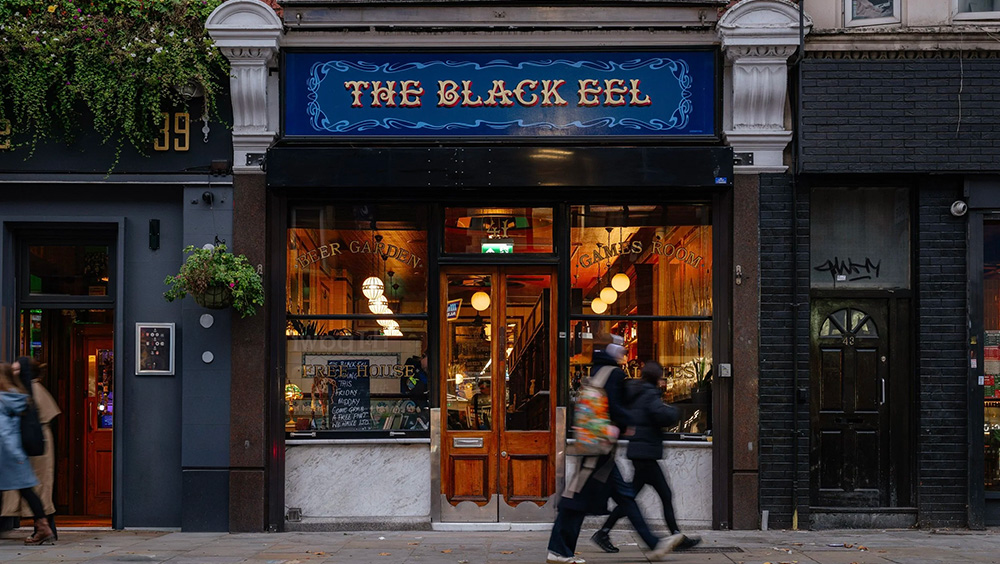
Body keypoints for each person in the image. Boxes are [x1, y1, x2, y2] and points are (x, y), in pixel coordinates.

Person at [546, 333, 682, 564]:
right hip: (599, 449)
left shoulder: (595, 372)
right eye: (621, 348)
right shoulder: (615, 374)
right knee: (577, 501)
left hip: (594, 446)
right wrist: (628, 422)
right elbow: (615, 407)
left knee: (620, 497)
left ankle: (653, 544)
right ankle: (559, 550)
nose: (624, 353)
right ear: (612, 351)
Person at [590, 361, 701, 554]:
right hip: (645, 454)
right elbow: (661, 415)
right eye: (661, 377)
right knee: (659, 495)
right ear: (656, 378)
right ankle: (675, 535)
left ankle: (604, 531)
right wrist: (675, 411)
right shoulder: (650, 393)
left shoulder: (637, 391)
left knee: (630, 498)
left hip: (640, 452)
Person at [2, 357, 61, 541]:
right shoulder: (23, 390)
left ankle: (44, 527)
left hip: (31, 446)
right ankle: (44, 527)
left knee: (36, 486)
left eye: (18, 370)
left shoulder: (30, 390)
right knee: (30, 487)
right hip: (25, 445)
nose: (14, 373)